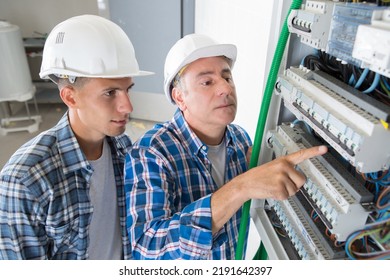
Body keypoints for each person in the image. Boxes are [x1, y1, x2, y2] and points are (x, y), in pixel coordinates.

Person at [124, 33, 327, 260]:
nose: (225, 89)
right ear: (179, 97)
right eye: (207, 82)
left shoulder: (240, 140)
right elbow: (147, 250)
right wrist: (240, 187)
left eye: (227, 77)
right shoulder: (151, 152)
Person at [0, 14, 152, 260]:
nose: (127, 106)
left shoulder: (122, 147)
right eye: (110, 92)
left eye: (127, 89)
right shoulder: (25, 180)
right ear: (70, 97)